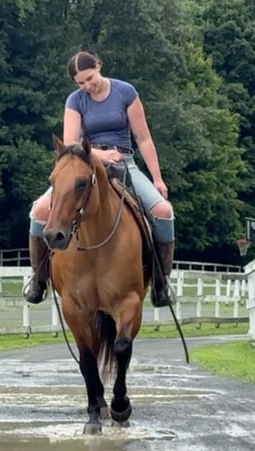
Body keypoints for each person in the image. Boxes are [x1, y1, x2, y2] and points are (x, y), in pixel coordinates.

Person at [24, 50, 175, 307]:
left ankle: (161, 284)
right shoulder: (75, 100)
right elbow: (71, 142)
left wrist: (157, 178)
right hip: (85, 163)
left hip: (124, 162)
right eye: (80, 83)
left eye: (89, 78)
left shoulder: (125, 92)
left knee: (163, 211)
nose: (87, 86)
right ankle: (38, 281)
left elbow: (144, 138)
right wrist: (100, 155)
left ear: (98, 66)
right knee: (39, 211)